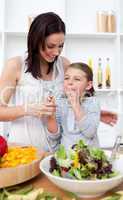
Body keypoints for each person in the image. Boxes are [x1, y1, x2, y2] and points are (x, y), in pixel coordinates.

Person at [0, 12, 117, 150]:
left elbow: (69, 103)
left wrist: (94, 114)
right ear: (36, 41)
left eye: (61, 46)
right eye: (51, 46)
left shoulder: (64, 65)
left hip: (56, 151)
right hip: (24, 149)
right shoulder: (15, 65)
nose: (56, 52)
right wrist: (28, 109)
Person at [46, 62, 100, 151]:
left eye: (77, 79)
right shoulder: (60, 103)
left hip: (89, 158)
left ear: (88, 85)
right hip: (67, 159)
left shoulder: (93, 103)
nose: (70, 82)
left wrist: (75, 104)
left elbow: (90, 132)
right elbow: (54, 137)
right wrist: (51, 115)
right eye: (67, 78)